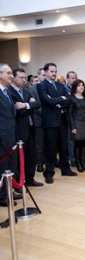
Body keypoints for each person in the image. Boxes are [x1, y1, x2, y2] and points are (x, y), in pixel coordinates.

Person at [37, 63, 77, 184]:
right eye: (51, 71)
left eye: (55, 71)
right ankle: (48, 173)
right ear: (46, 72)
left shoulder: (60, 85)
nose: (54, 74)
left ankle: (65, 169)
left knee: (63, 147)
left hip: (62, 120)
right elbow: (47, 101)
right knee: (50, 149)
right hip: (50, 122)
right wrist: (61, 99)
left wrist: (59, 100)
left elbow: (70, 100)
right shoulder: (41, 86)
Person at [9, 68, 43, 187]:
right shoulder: (9, 92)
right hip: (19, 130)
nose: (24, 80)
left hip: (31, 128)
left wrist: (25, 105)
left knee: (31, 156)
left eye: (24, 77)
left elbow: (37, 104)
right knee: (19, 158)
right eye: (21, 77)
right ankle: (19, 183)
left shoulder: (27, 91)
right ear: (13, 78)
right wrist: (30, 105)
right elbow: (18, 111)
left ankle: (30, 179)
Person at [0, 63, 17, 206]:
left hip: (11, 136)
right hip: (2, 138)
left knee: (10, 166)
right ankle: (2, 196)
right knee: (2, 167)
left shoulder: (7, 91)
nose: (12, 76)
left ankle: (9, 192)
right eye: (8, 73)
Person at [68, 79, 85, 172]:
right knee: (77, 144)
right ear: (75, 87)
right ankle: (78, 163)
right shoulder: (71, 98)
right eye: (79, 85)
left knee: (84, 143)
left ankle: (83, 162)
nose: (81, 87)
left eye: (82, 85)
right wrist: (73, 127)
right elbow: (69, 113)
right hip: (76, 122)